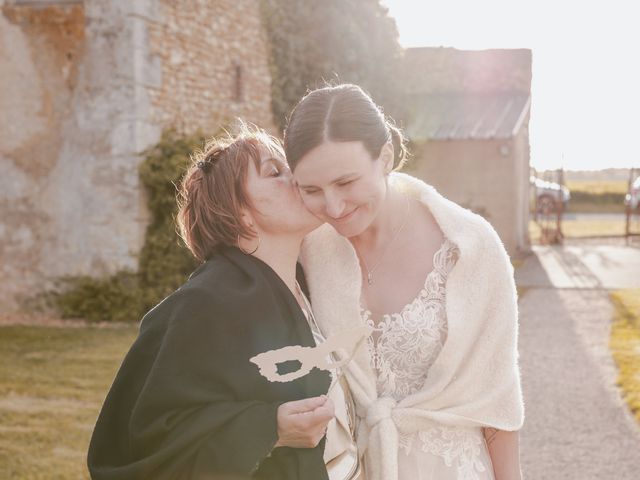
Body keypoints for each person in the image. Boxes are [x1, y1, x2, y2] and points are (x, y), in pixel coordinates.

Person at [283, 84, 525, 480]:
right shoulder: (308, 248)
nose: (333, 207)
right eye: (311, 190)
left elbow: (497, 400)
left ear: (386, 157)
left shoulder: (469, 248)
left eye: (346, 183)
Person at [87, 126, 337, 480]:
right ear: (241, 214)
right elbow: (150, 437)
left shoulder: (319, 286)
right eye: (274, 172)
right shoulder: (204, 304)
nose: (297, 177)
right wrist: (269, 429)